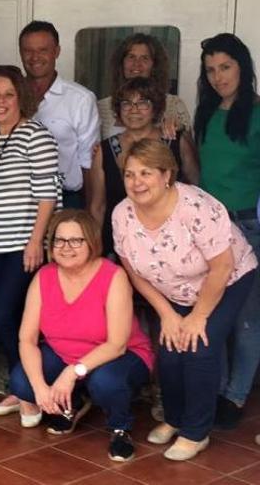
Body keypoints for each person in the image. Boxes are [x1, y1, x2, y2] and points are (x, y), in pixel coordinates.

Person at [112, 139, 257, 461]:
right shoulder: (122, 214)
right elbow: (134, 272)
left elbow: (223, 265)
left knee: (199, 345)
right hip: (173, 289)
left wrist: (199, 315)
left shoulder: (196, 207)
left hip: (226, 279)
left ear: (167, 175)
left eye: (146, 173)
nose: (137, 183)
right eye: (130, 174)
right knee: (170, 348)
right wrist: (166, 313)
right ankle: (174, 419)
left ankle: (196, 432)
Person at [9, 210, 154, 462]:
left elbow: (117, 345)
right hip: (65, 353)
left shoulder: (113, 276)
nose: (66, 247)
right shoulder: (44, 277)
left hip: (119, 354)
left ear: (92, 243)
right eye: (59, 240)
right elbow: (27, 339)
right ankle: (72, 404)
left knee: (104, 383)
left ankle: (120, 427)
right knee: (22, 382)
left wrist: (70, 373)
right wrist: (40, 388)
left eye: (76, 240)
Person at [0, 65, 61, 420]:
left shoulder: (35, 135)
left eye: (8, 94)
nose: (0, 101)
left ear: (21, 97)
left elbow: (47, 195)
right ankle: (21, 386)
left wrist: (36, 241)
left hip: (22, 245)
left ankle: (29, 390)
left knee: (5, 316)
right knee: (6, 317)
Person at [193, 33, 260, 429]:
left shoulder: (256, 112)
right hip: (211, 230)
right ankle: (216, 390)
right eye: (211, 70)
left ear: (243, 67)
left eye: (226, 67)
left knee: (247, 319)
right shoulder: (208, 114)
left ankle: (235, 395)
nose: (219, 77)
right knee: (213, 313)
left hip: (249, 226)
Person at [88, 77, 199, 257]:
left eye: (143, 103)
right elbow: (97, 206)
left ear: (155, 108)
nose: (134, 110)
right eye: (127, 104)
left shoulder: (176, 142)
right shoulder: (104, 150)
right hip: (120, 245)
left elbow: (197, 188)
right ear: (118, 109)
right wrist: (94, 247)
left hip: (172, 244)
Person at [19, 20, 98, 209]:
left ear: (57, 52)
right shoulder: (8, 96)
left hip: (65, 199)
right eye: (28, 50)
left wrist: (89, 215)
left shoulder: (81, 99)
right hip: (17, 201)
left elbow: (89, 163)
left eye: (42, 50)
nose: (35, 57)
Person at [97, 33, 193, 139]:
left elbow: (186, 145)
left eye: (145, 58)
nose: (137, 63)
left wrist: (179, 129)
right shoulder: (102, 107)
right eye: (131, 57)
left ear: (155, 65)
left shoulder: (174, 105)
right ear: (121, 63)